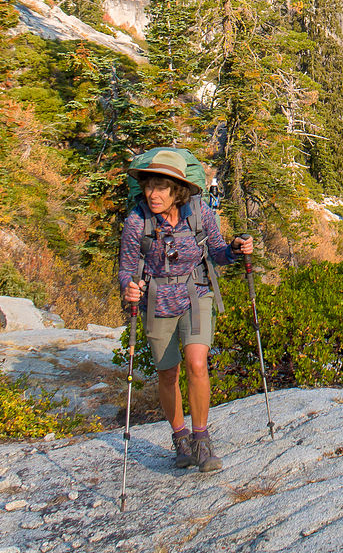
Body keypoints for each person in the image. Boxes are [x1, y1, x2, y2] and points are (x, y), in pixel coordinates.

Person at [118, 149, 252, 472]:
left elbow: (217, 251)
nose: (153, 194)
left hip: (195, 293)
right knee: (168, 373)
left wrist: (235, 248)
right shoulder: (137, 221)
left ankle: (202, 441)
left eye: (161, 187)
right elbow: (125, 270)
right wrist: (128, 287)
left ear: (176, 189)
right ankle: (181, 438)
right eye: (150, 186)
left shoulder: (199, 212)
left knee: (196, 362)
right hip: (157, 301)